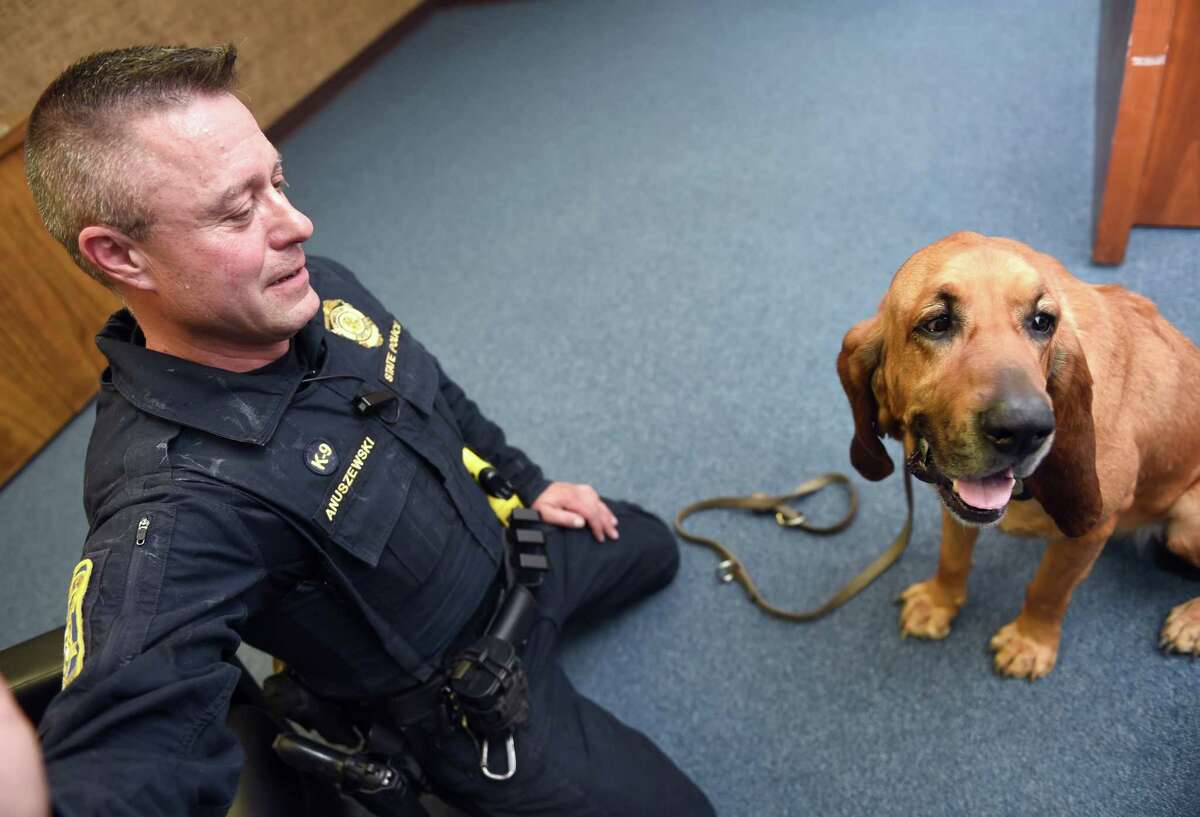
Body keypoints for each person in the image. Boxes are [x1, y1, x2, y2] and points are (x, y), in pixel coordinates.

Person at [22, 44, 715, 817]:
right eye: (237, 209)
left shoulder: (314, 286)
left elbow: (436, 393)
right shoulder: (171, 507)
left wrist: (530, 484)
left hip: (516, 556)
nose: (296, 224)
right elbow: (127, 741)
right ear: (120, 254)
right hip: (465, 701)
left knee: (653, 545)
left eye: (277, 182)